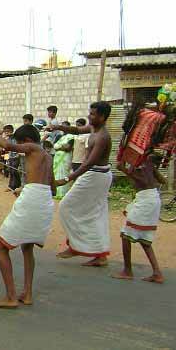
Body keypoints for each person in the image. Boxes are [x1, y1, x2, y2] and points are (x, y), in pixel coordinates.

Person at [0, 124, 56, 308]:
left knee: (1, 246)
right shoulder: (48, 156)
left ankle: (11, 297)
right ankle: (27, 294)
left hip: (33, 199)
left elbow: (7, 146)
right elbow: (52, 187)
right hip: (44, 200)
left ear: (26, 141)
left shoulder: (33, 147)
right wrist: (26, 189)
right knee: (27, 247)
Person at [51, 101, 113, 267]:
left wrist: (66, 179)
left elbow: (89, 163)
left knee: (66, 207)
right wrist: (59, 128)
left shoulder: (103, 136)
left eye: (92, 114)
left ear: (102, 116)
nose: (89, 116)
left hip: (95, 176)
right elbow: (77, 130)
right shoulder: (93, 129)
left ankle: (77, 246)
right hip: (95, 175)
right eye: (90, 112)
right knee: (93, 214)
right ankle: (96, 254)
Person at [111, 155, 165, 284]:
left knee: (126, 234)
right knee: (144, 239)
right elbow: (162, 180)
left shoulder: (140, 162)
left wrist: (125, 170)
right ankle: (157, 273)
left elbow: (144, 182)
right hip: (151, 198)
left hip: (145, 200)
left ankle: (127, 271)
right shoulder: (147, 162)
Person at [53, 121, 75, 199]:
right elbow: (54, 146)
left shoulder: (71, 137)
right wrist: (62, 147)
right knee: (56, 174)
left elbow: (68, 148)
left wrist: (59, 147)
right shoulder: (59, 136)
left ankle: (64, 193)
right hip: (57, 158)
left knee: (64, 174)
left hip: (65, 158)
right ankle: (57, 192)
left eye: (65, 126)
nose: (63, 128)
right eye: (62, 126)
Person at [2, 125, 21, 191]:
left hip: (16, 156)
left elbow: (18, 146)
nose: (6, 133)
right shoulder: (8, 139)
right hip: (10, 156)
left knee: (14, 171)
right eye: (5, 132)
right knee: (11, 171)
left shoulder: (15, 138)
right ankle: (12, 186)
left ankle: (15, 185)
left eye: (8, 131)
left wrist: (18, 154)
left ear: (12, 131)